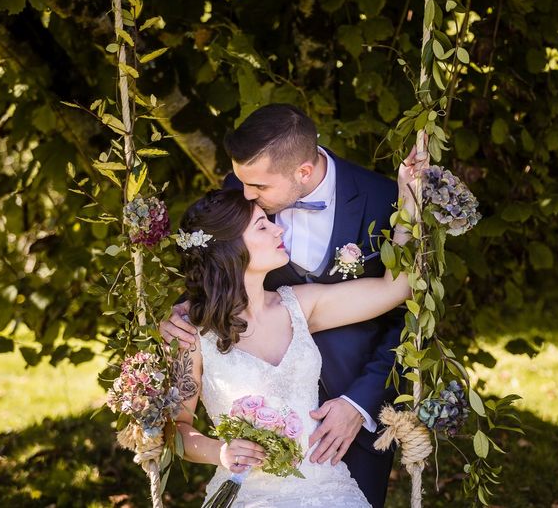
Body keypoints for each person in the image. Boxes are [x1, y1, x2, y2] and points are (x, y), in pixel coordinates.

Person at [161, 104, 406, 506]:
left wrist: (411, 202)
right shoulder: (194, 333)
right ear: (231, 249)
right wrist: (219, 451)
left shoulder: (300, 305)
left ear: (303, 173)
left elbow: (398, 290)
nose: (278, 229)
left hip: (332, 471)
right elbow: (175, 427)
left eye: (261, 207)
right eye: (261, 225)